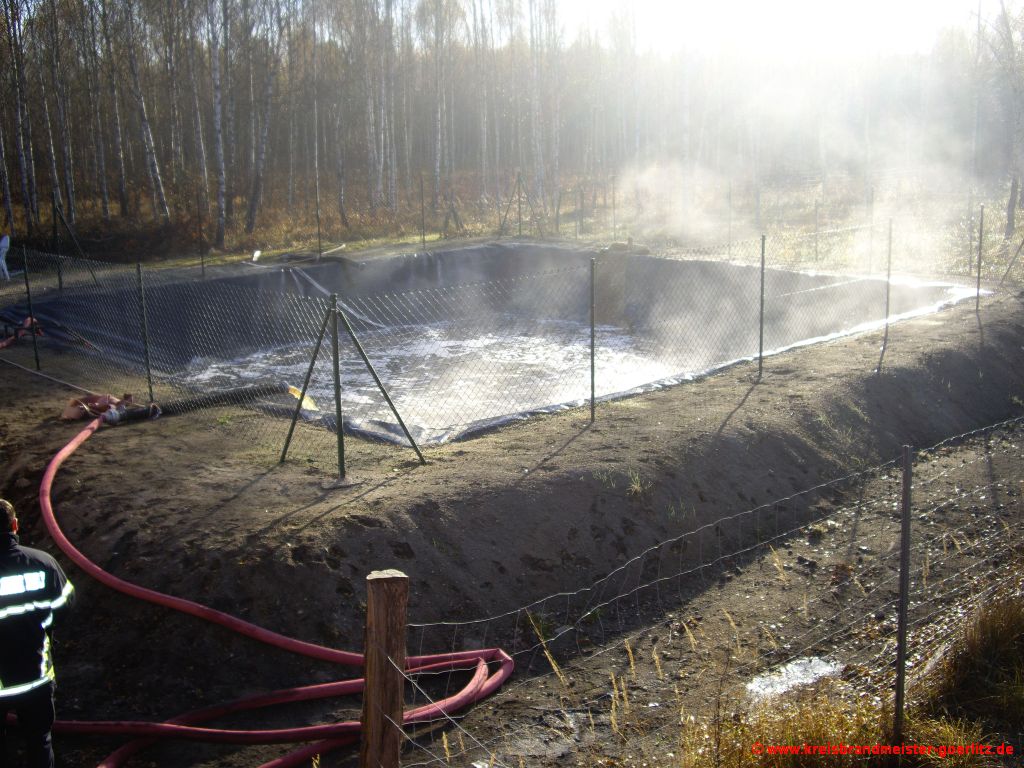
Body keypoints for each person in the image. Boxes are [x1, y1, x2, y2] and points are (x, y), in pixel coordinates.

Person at [0, 499, 74, 768]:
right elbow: (63, 609)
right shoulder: (44, 563)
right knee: (39, 741)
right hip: (35, 676)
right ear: (15, 525)